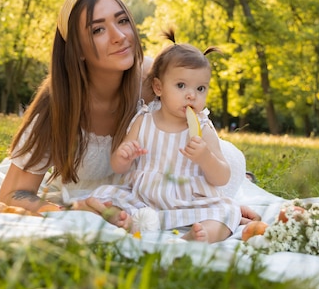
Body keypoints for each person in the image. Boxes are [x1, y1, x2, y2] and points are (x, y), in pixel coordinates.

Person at [0, 0, 260, 225]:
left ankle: (241, 184)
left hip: (167, 185)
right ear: (77, 49)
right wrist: (69, 211)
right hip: (114, 198)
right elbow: (12, 193)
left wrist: (223, 208)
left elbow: (193, 121)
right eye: (98, 29)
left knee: (231, 161)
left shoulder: (152, 82)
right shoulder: (55, 107)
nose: (119, 36)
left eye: (122, 21)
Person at [86, 31, 242, 243]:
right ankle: (127, 221)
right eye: (181, 86)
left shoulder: (203, 128)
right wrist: (124, 156)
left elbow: (222, 177)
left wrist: (206, 158)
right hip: (144, 199)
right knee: (103, 195)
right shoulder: (144, 120)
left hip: (188, 203)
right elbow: (118, 167)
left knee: (228, 211)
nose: (191, 95)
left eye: (200, 88)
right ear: (158, 87)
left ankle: (201, 235)